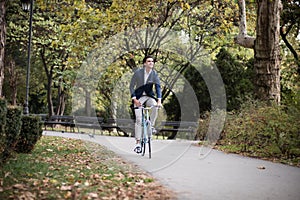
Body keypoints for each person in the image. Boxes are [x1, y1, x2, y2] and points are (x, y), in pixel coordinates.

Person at [129, 55, 162, 153]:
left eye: (152, 61)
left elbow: (158, 88)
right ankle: (138, 143)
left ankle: (151, 126)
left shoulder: (154, 74)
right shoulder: (138, 73)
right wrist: (134, 99)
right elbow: (131, 86)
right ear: (144, 63)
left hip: (149, 97)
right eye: (149, 61)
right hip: (138, 98)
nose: (151, 63)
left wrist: (159, 101)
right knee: (139, 120)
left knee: (155, 106)